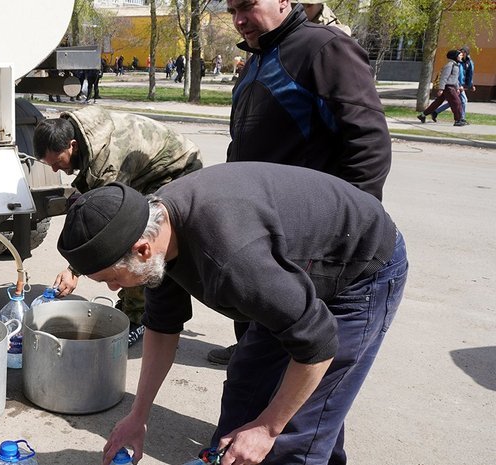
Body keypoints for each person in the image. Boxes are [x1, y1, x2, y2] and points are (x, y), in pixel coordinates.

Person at [55, 164, 407, 465]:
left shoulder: (232, 261)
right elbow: (162, 329)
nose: (114, 289)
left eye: (112, 279)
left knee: (297, 433)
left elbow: (317, 344)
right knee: (245, 394)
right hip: (288, 277)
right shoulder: (154, 234)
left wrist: (268, 428)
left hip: (360, 269)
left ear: (143, 249)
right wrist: (139, 415)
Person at [207, 0, 392, 365]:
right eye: (232, 11)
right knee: (255, 323)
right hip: (256, 224)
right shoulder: (255, 62)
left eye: (247, 6)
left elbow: (369, 146)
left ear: (283, 1)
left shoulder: (323, 48)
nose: (239, 20)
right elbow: (243, 144)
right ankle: (248, 350)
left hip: (305, 232)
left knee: (293, 354)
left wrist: (349, 234)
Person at [32, 106, 202, 346]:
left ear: (72, 145)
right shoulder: (78, 129)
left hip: (177, 170)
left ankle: (138, 318)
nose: (55, 170)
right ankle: (131, 305)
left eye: (58, 162)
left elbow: (112, 228)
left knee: (129, 250)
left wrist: (74, 270)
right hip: (145, 169)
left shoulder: (107, 164)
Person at [418, 49, 467, 126]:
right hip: (448, 88)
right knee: (456, 103)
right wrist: (441, 89)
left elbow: (455, 79)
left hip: (451, 87)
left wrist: (457, 87)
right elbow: (444, 77)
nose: (461, 56)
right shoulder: (450, 65)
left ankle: (422, 115)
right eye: (459, 55)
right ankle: (458, 120)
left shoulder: (456, 65)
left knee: (437, 103)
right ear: (454, 56)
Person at [431, 46, 475, 123]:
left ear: (467, 53)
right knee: (463, 100)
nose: (462, 54)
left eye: (464, 52)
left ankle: (435, 112)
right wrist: (459, 85)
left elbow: (470, 74)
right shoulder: (457, 62)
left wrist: (470, 84)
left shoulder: (469, 62)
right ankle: (461, 118)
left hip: (460, 84)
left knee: (454, 101)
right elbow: (456, 75)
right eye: (461, 52)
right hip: (455, 84)